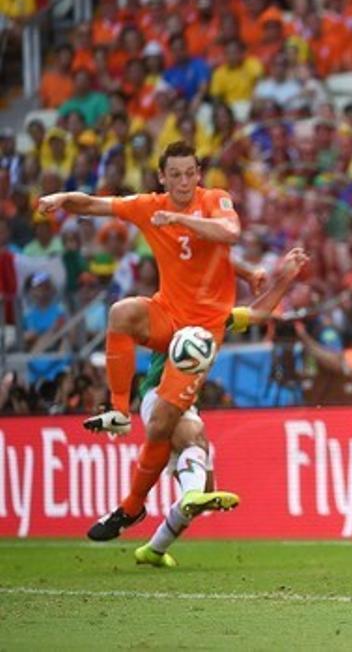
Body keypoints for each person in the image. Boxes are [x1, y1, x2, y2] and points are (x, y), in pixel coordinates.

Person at [37, 141, 241, 541]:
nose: (184, 181)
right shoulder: (150, 205)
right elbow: (95, 204)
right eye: (175, 175)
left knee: (164, 426)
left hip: (199, 336)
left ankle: (132, 508)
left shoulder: (216, 199)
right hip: (168, 316)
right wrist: (61, 198)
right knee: (121, 313)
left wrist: (182, 222)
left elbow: (230, 233)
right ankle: (117, 409)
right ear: (162, 177)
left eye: (190, 173)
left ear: (198, 174)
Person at [133, 247, 309, 568]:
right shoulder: (169, 309)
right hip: (159, 395)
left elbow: (257, 314)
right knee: (194, 439)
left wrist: (285, 279)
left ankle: (154, 550)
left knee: (204, 488)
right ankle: (187, 499)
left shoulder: (214, 315)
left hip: (185, 400)